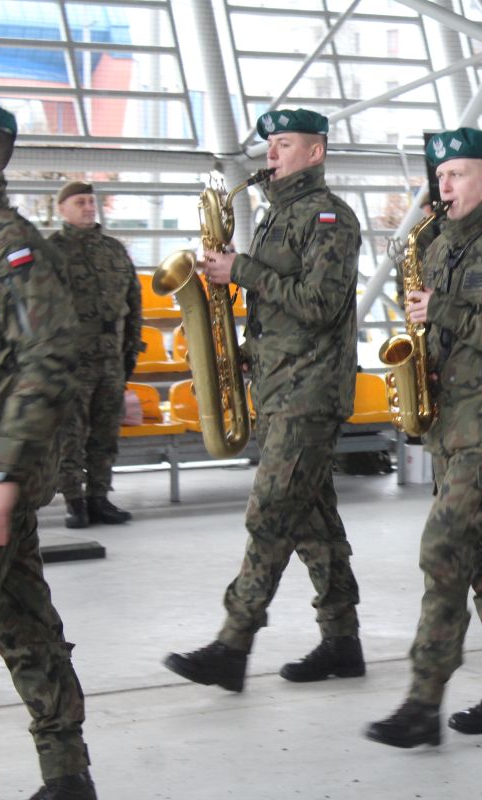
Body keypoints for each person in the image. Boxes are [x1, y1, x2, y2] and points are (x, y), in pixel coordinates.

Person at [364, 127, 482, 747]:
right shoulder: (440, 242)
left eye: (458, 175)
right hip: (452, 425)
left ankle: (423, 702)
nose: (444, 186)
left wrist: (445, 311)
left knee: (444, 547)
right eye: (441, 176)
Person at [164, 108, 364, 691]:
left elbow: (320, 304)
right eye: (270, 145)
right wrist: (242, 352)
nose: (271, 154)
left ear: (315, 152)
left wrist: (241, 270)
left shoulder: (330, 217)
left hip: (311, 391)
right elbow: (282, 312)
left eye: (284, 144)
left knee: (271, 511)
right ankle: (342, 641)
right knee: (313, 521)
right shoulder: (277, 216)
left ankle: (233, 643)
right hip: (279, 386)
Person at [0, 97, 96, 800]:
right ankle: (67, 774)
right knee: (22, 622)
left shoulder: (5, 242)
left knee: (21, 622)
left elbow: (50, 354)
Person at [48, 181, 142, 529]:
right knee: (70, 435)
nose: (89, 207)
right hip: (71, 361)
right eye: (80, 202)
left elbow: (134, 302)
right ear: (62, 209)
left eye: (91, 201)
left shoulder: (114, 250)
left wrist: (130, 349)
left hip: (111, 358)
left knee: (105, 433)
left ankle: (99, 497)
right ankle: (74, 501)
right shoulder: (51, 252)